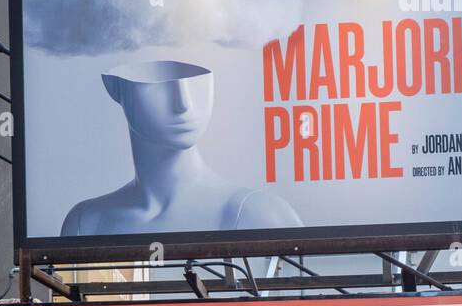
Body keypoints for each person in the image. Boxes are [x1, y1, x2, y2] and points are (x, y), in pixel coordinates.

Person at [62, 60, 302, 237]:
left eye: (198, 81)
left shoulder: (263, 215)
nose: (183, 103)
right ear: (117, 89)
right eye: (157, 84)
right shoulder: (86, 222)